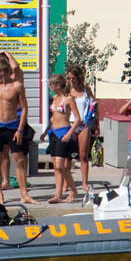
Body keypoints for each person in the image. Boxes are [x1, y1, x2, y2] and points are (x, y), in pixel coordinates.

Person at [0, 50, 39, 209]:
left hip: (12, 126)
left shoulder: (17, 84)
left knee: (19, 160)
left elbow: (25, 108)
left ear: (3, 71)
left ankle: (24, 194)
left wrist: (19, 129)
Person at [46, 74, 81, 203]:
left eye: (52, 85)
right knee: (56, 166)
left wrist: (69, 133)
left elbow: (77, 119)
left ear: (58, 85)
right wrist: (46, 132)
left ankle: (73, 190)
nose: (51, 87)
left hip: (64, 133)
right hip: (54, 133)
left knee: (62, 166)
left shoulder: (68, 99)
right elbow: (53, 117)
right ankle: (58, 194)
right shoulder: (55, 98)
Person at [66, 64, 96, 195]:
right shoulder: (67, 90)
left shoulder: (86, 90)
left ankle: (84, 183)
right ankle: (67, 183)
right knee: (68, 156)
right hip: (70, 123)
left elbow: (94, 106)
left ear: (79, 78)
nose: (71, 81)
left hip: (84, 124)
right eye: (69, 78)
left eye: (73, 78)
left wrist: (96, 125)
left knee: (83, 155)